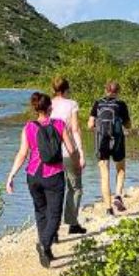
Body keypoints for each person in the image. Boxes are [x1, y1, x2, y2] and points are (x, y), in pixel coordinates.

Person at [5, 92, 77, 268]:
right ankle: (44, 244)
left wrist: (11, 175)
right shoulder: (59, 125)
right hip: (54, 175)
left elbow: (23, 153)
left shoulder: (28, 127)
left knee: (40, 212)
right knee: (55, 214)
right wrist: (76, 163)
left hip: (33, 175)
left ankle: (47, 251)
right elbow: (71, 149)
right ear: (50, 108)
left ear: (35, 108)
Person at [49, 76, 88, 236]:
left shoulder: (47, 104)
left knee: (55, 190)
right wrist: (81, 152)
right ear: (66, 89)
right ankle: (72, 223)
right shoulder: (72, 104)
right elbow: (75, 129)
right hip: (69, 150)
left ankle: (53, 228)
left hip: (51, 153)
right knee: (75, 187)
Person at [88, 80, 132, 216]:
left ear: (105, 89)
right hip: (117, 140)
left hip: (102, 141)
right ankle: (118, 195)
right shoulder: (121, 104)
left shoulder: (97, 103)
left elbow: (90, 125)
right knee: (121, 169)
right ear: (118, 92)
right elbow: (128, 125)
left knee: (104, 174)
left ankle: (108, 209)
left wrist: (99, 129)